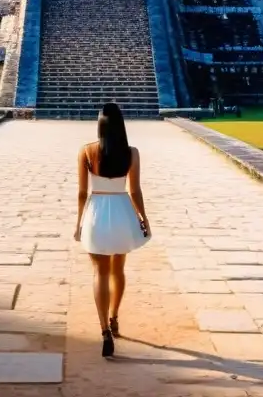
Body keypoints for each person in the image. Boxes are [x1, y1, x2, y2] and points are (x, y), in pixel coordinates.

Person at [74, 102, 151, 358]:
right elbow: (135, 191)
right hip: (121, 211)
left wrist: (78, 224)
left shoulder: (87, 151)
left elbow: (82, 193)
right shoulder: (132, 152)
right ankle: (115, 316)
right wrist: (143, 217)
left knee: (100, 273)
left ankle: (104, 329)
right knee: (118, 270)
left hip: (96, 211)